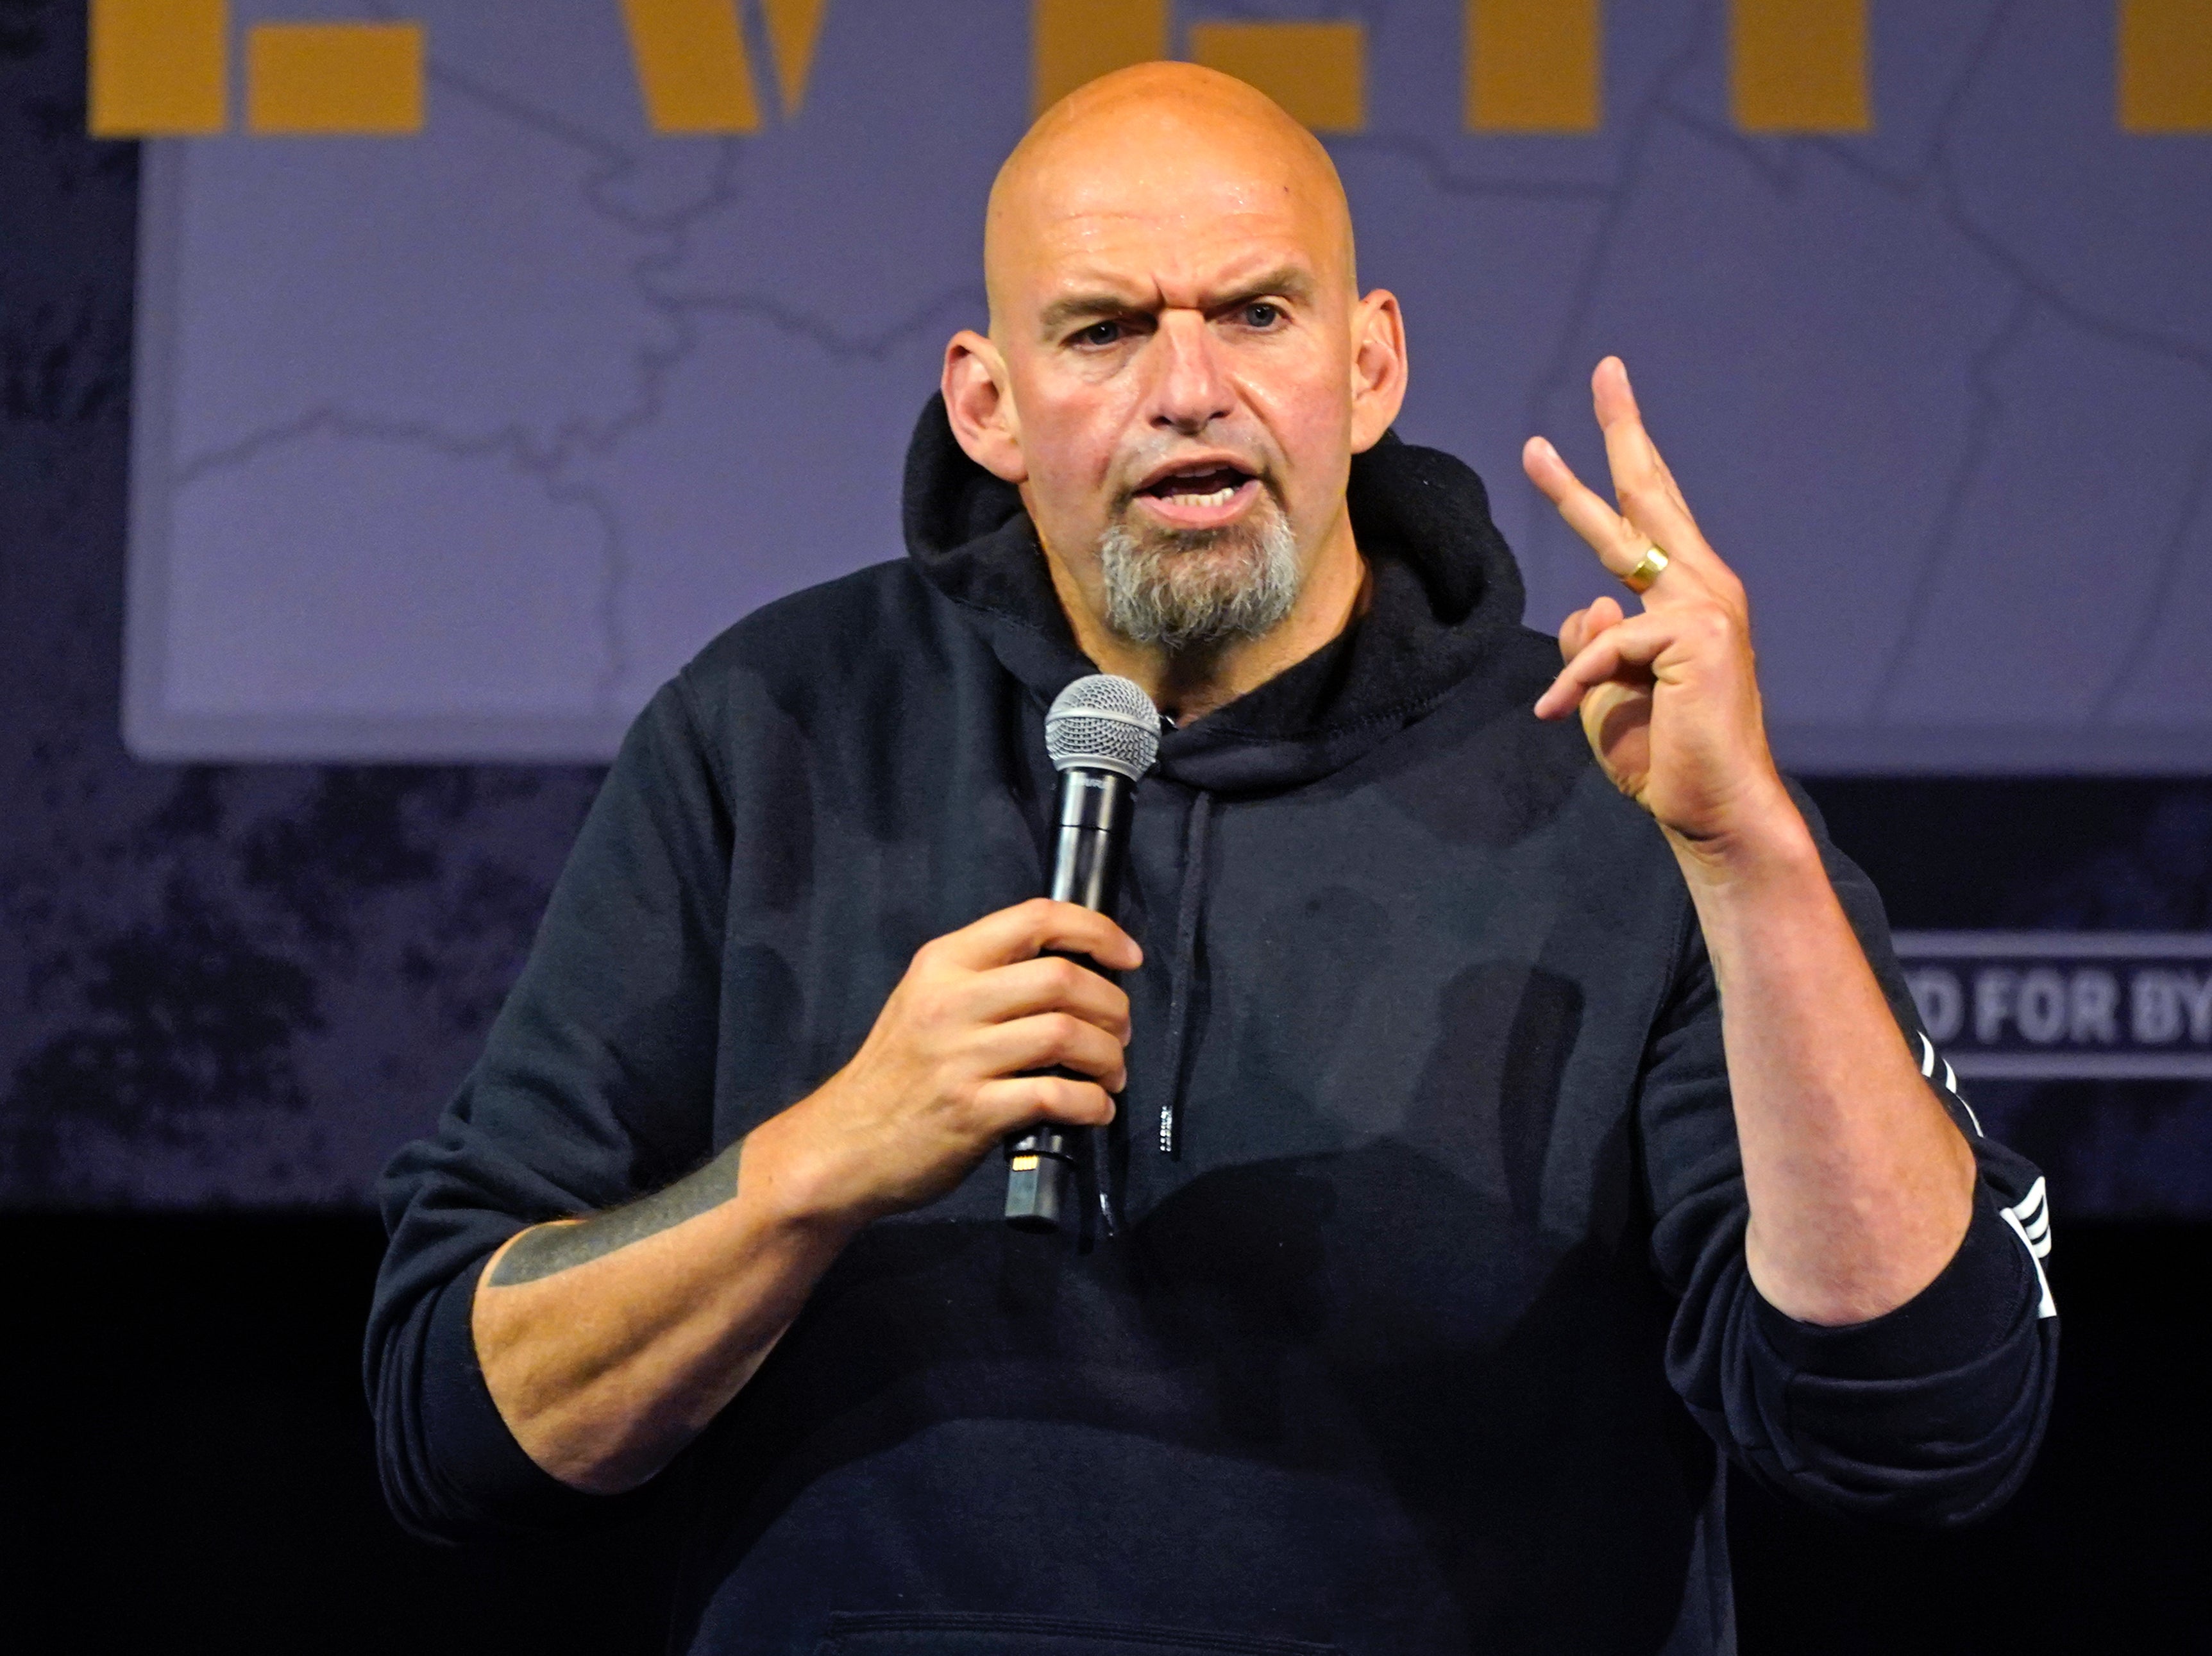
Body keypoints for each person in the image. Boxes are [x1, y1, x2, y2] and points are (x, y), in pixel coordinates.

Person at [368, 63, 2056, 1655]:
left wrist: (1745, 856)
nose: (1190, 388)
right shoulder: (767, 731)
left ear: (1370, 364)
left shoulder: (1622, 782)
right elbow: (460, 1425)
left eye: (1255, 311)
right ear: (988, 402)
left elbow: (1921, 1425)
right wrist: (822, 1163)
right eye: (1102, 330)